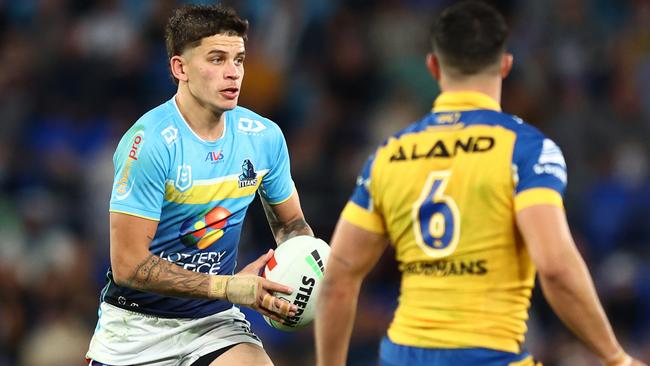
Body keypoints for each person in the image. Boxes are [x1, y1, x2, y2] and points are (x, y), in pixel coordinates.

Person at [314, 1, 647, 366]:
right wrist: (615, 357)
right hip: (488, 355)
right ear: (505, 65)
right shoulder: (526, 149)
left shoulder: (389, 155)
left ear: (433, 67)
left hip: (403, 356)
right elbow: (554, 266)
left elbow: (339, 278)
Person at [86, 4, 313, 366]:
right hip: (135, 331)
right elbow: (128, 264)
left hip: (213, 321)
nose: (233, 73)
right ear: (180, 68)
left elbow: (291, 225)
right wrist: (228, 286)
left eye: (238, 60)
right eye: (217, 59)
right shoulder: (150, 143)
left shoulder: (264, 137)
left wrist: (301, 276)